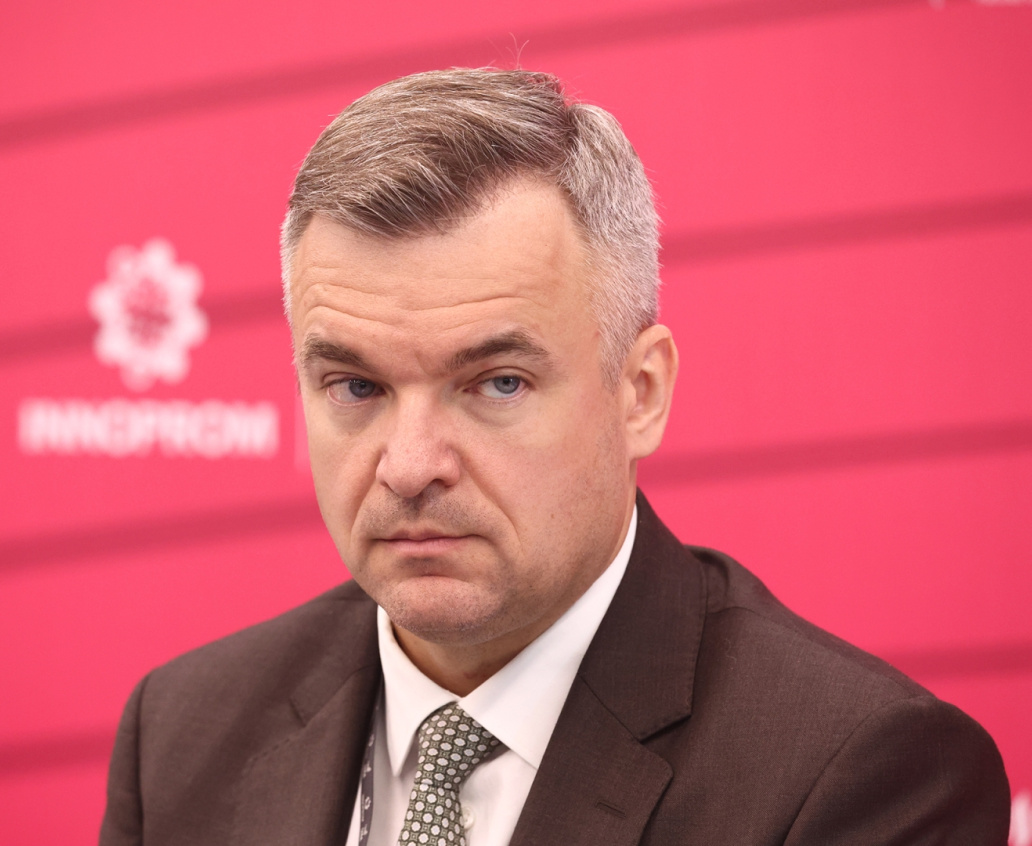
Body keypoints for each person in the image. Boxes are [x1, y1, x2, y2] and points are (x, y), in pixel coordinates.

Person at [99, 68, 1010, 845]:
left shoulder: (862, 776)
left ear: (640, 391)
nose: (409, 466)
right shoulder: (181, 733)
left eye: (496, 384)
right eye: (357, 387)